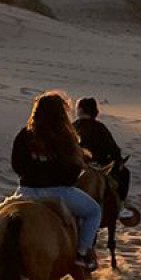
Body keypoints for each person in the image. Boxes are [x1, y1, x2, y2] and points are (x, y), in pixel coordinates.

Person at [11, 92, 102, 270]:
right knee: (94, 212)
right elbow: (73, 170)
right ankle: (82, 253)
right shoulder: (64, 137)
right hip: (57, 193)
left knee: (2, 214)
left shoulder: (24, 134)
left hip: (26, 192)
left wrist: (32, 174)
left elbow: (16, 165)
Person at [73, 97, 130, 201]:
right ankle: (121, 206)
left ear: (80, 110)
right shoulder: (100, 128)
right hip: (99, 167)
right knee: (125, 174)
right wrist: (118, 163)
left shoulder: (73, 127)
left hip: (75, 166)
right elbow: (114, 150)